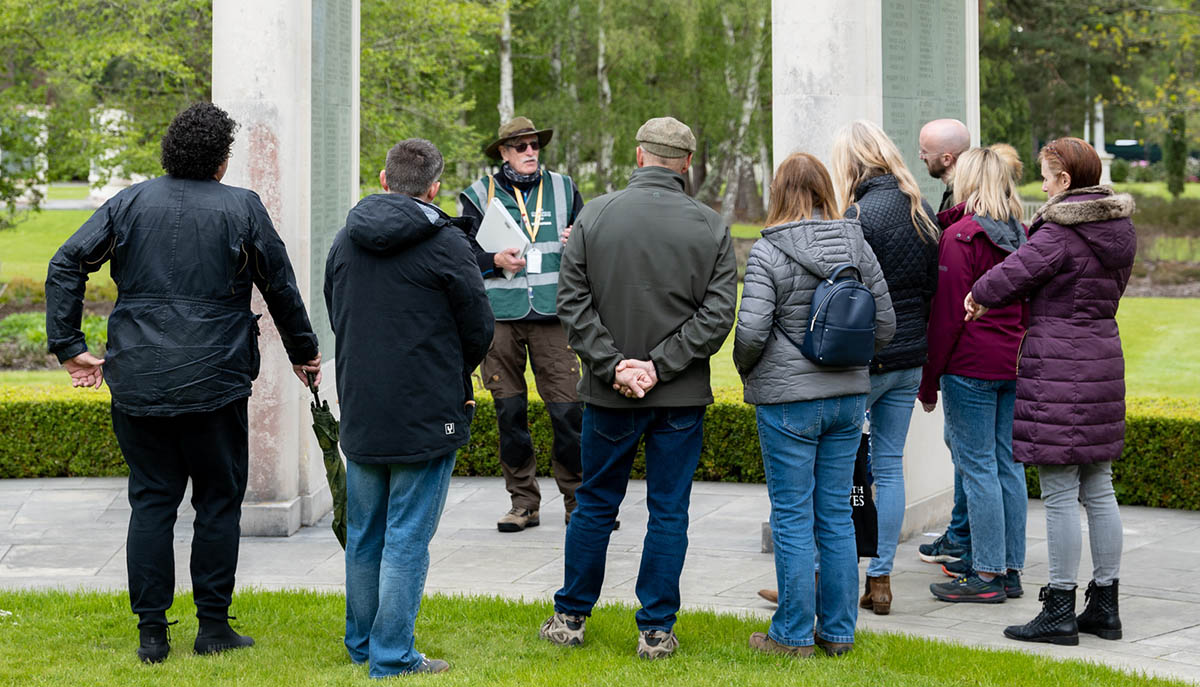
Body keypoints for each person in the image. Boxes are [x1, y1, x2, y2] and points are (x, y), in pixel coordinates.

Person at [44, 102, 321, 663]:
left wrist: (70, 347)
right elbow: (281, 286)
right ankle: (212, 626)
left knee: (151, 501)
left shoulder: (129, 202)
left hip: (139, 377)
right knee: (218, 501)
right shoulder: (242, 208)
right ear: (221, 161)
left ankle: (152, 634)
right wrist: (305, 352)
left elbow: (66, 263)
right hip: (216, 381)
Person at [540, 116, 737, 660]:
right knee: (669, 510)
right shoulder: (710, 225)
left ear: (639, 155)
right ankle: (655, 629)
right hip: (678, 396)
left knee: (596, 504)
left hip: (609, 394)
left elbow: (571, 305)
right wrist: (659, 365)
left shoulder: (595, 216)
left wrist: (617, 367)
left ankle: (570, 618)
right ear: (687, 163)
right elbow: (719, 314)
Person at [325, 139, 493, 676]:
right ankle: (392, 655)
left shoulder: (344, 239)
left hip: (362, 403)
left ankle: (363, 643)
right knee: (405, 536)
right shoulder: (447, 243)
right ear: (435, 188)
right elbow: (479, 327)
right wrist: (453, 374)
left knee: (367, 531)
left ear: (383, 178)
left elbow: (336, 312)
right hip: (426, 406)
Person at [967, 138, 1135, 646]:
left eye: (1046, 175)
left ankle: (1059, 608)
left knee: (1061, 491)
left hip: (1059, 363)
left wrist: (977, 295)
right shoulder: (1119, 229)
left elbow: (1013, 274)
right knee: (1099, 487)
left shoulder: (1062, 230)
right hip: (1103, 354)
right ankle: (1105, 606)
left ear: (1064, 181)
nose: (1041, 185)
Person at [734, 151, 895, 657]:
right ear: (826, 189)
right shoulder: (858, 244)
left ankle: (792, 635)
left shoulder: (768, 252)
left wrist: (748, 369)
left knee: (792, 516)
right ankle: (839, 632)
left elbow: (752, 330)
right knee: (835, 516)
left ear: (779, 192)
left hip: (789, 402)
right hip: (848, 398)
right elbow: (885, 325)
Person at [829, 120, 939, 615]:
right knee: (890, 467)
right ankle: (882, 580)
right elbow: (931, 292)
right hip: (910, 358)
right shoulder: (922, 209)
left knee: (840, 469)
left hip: (868, 359)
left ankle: (834, 577)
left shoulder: (856, 215)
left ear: (851, 164)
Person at [459, 116, 586, 533]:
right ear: (503, 153)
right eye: (521, 146)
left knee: (569, 412)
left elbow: (593, 244)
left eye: (534, 145)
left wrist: (579, 240)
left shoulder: (565, 188)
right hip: (500, 319)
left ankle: (578, 501)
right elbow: (459, 257)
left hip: (554, 316)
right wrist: (493, 261)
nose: (531, 152)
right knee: (509, 413)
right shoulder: (479, 195)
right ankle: (523, 503)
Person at [919, 147, 1028, 604]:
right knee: (1008, 465)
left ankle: (985, 575)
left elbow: (946, 318)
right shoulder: (1023, 234)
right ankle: (1009, 568)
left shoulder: (961, 236)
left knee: (978, 467)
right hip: (1014, 364)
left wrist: (928, 383)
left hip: (971, 365)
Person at [913, 118, 974, 567]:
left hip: (966, 355)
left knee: (970, 454)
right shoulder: (968, 198)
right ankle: (963, 534)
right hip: (981, 354)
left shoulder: (962, 212)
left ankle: (969, 541)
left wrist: (931, 374)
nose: (921, 156)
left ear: (947, 158)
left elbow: (954, 301)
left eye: (926, 150)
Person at [918, 118, 971, 213]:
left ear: (946, 159)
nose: (921, 157)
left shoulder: (959, 202)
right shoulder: (979, 188)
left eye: (925, 152)